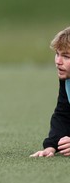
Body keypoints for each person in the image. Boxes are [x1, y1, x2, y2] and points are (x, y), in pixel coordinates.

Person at [30, 26, 70, 158]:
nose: (58, 61)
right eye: (57, 54)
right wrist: (51, 146)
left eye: (66, 56)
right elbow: (63, 114)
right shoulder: (66, 79)